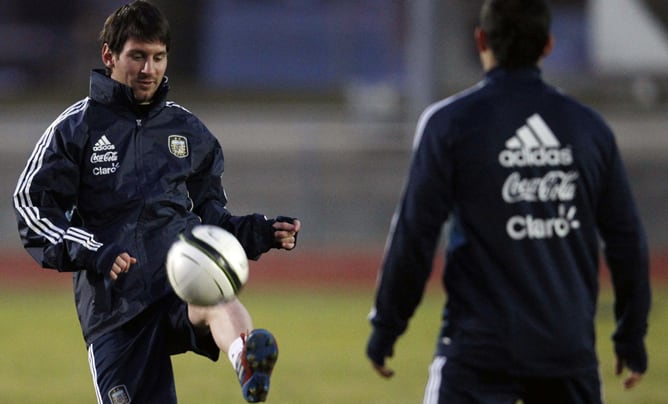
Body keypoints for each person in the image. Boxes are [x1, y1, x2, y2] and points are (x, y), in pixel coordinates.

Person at [13, 1, 300, 403]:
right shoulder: (75, 129)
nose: (149, 69)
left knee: (217, 293)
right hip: (116, 308)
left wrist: (261, 232)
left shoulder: (187, 130)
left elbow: (212, 216)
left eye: (158, 57)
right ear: (109, 56)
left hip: (178, 281)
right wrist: (93, 250)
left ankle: (245, 356)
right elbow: (32, 206)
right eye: (138, 57)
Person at [366, 0, 651, 403]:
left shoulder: (450, 124)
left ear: (481, 39)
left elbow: (415, 235)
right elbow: (626, 241)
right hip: (567, 352)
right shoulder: (589, 129)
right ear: (548, 46)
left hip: (476, 350)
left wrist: (387, 327)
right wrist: (631, 333)